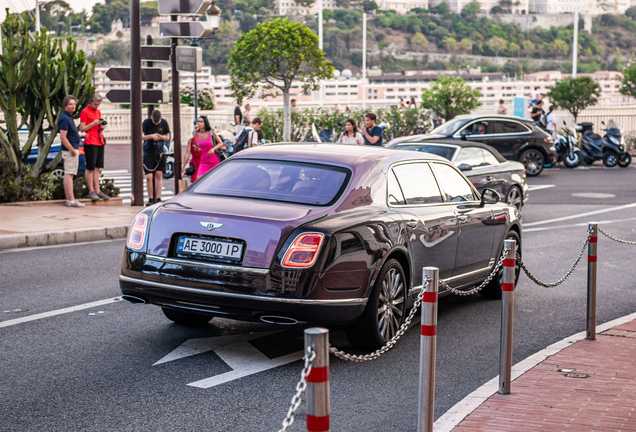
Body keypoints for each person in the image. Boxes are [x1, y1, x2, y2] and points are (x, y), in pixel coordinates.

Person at [79, 93, 109, 201]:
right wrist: (93, 123)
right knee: (90, 167)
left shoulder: (98, 112)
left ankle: (97, 190)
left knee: (97, 167)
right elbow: (82, 128)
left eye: (98, 104)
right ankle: (91, 191)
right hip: (90, 141)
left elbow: (97, 126)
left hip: (99, 140)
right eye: (95, 104)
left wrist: (102, 126)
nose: (97, 106)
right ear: (90, 102)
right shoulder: (85, 112)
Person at [58, 95, 85, 207]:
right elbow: (63, 137)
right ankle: (71, 200)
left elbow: (70, 134)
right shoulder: (65, 118)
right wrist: (72, 150)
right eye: (70, 104)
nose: (73, 106)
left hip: (73, 148)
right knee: (69, 174)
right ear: (65, 106)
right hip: (70, 150)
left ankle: (71, 199)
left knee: (70, 174)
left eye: (74, 104)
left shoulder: (69, 118)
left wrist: (80, 136)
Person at [142, 109, 170, 205]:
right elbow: (141, 136)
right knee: (149, 176)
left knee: (159, 175)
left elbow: (167, 137)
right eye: (154, 122)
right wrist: (151, 136)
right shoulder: (146, 122)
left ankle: (158, 198)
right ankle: (150, 198)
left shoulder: (164, 122)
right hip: (148, 151)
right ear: (151, 118)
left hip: (160, 151)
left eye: (158, 122)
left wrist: (159, 137)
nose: (156, 124)